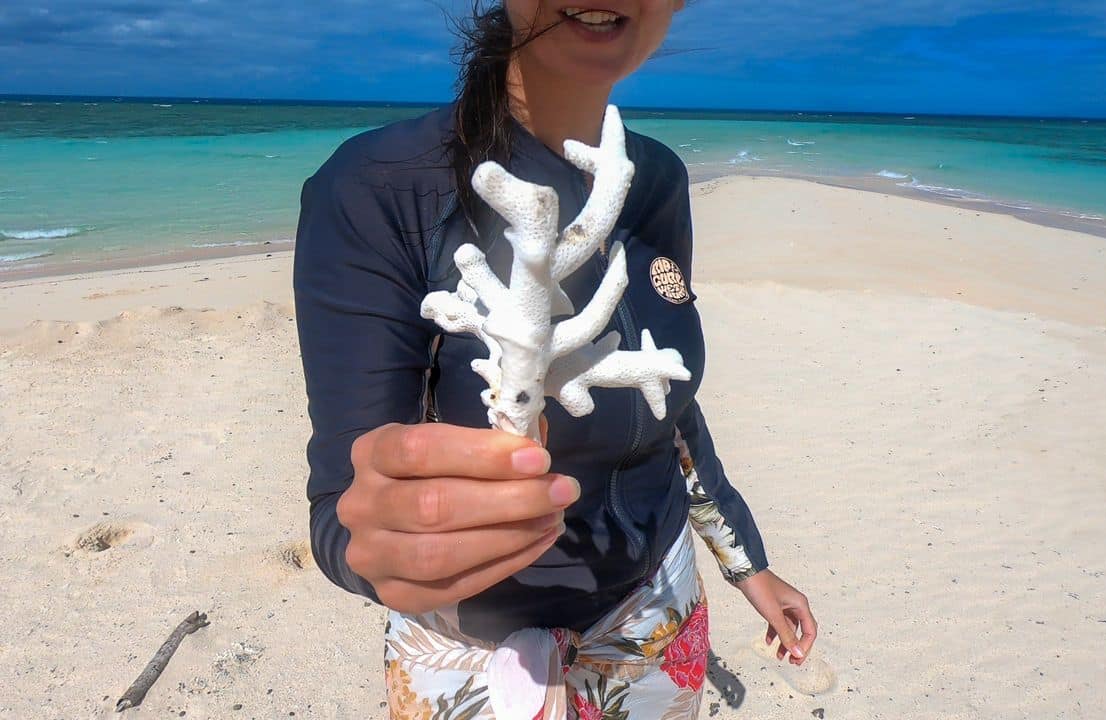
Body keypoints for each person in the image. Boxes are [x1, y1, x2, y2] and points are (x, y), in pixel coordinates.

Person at [293, 2, 818, 718]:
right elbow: (343, 513)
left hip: (661, 615)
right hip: (472, 655)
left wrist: (745, 564)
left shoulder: (655, 179)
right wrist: (382, 547)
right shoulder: (379, 187)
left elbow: (669, 403)